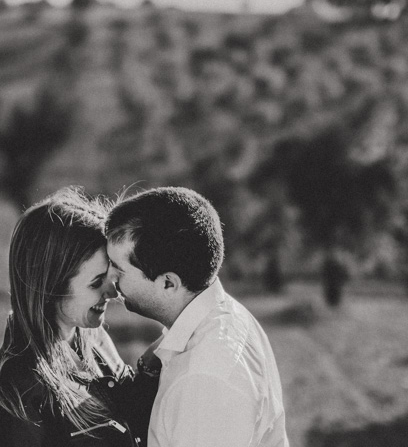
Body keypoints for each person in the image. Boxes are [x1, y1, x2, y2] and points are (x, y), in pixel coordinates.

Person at [105, 187, 289, 447]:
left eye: (118, 269)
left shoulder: (205, 381)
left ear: (168, 283)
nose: (109, 279)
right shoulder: (218, 316)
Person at [0, 187, 159, 447]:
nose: (112, 292)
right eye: (96, 282)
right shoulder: (18, 388)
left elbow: (126, 408)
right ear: (51, 286)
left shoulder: (91, 337)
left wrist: (156, 360)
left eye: (111, 277)